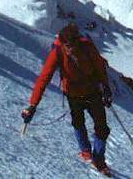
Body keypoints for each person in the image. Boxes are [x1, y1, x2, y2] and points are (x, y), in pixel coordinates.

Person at [22, 23, 113, 175]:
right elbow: (44, 78)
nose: (71, 49)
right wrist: (33, 105)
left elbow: (99, 67)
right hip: (73, 94)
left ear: (78, 40)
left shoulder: (87, 47)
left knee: (102, 127)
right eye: (67, 45)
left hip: (92, 91)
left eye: (73, 44)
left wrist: (106, 88)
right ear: (62, 43)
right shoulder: (57, 53)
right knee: (78, 122)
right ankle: (86, 151)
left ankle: (98, 160)